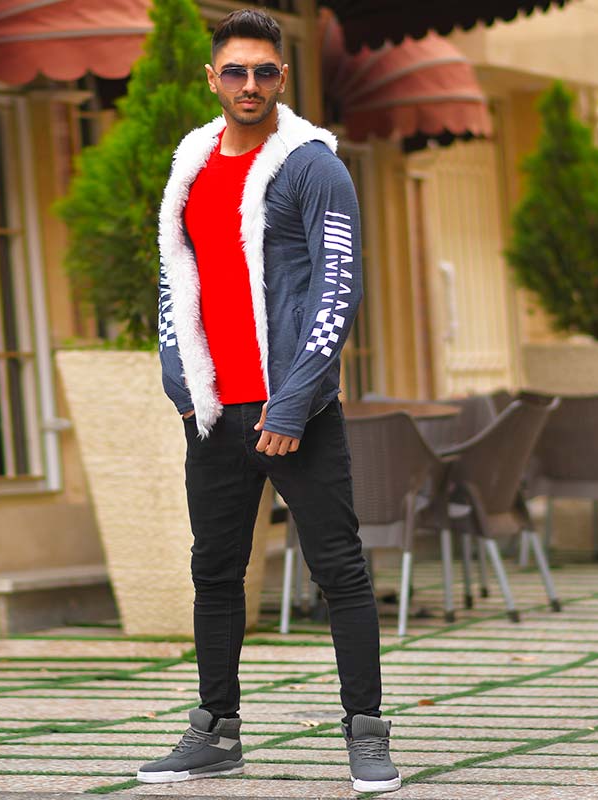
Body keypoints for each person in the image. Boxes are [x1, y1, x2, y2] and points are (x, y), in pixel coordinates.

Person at [136, 8, 400, 794]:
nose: (248, 84)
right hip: (215, 413)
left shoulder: (313, 166)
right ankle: (215, 731)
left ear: (282, 78)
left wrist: (291, 406)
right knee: (215, 572)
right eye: (235, 71)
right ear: (212, 79)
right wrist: (183, 386)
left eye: (263, 71)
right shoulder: (191, 167)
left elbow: (337, 291)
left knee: (339, 569)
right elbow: (174, 279)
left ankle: (366, 731)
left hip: (296, 413)